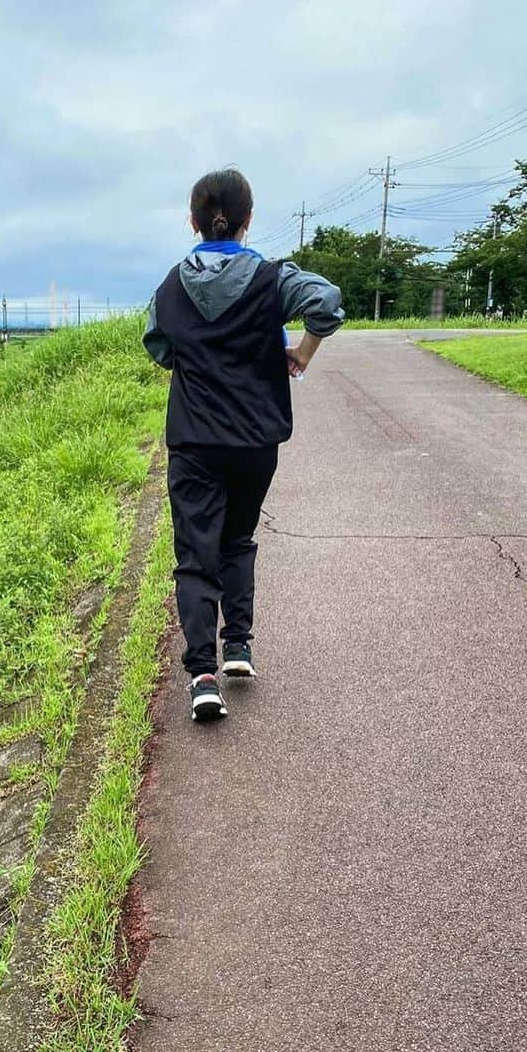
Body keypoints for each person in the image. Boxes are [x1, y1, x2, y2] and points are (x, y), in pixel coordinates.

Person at [144, 167, 344, 722]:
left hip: (193, 439)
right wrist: (300, 354)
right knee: (238, 538)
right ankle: (238, 648)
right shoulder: (273, 279)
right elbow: (326, 303)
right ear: (247, 220)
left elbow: (157, 343)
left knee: (195, 553)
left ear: (194, 221)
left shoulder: (170, 285)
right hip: (255, 440)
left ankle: (202, 675)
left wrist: (195, 365)